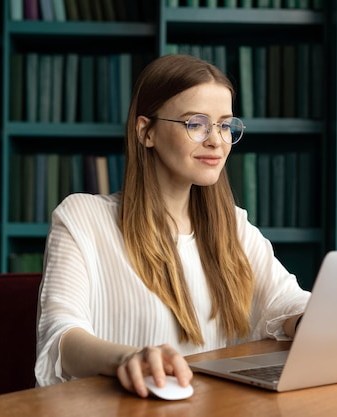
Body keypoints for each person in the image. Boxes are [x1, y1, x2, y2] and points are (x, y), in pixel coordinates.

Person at [35, 54, 311, 398]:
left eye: (225, 125)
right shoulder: (83, 219)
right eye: (196, 123)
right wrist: (128, 358)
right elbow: (60, 336)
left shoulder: (233, 226)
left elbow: (287, 304)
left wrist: (317, 321)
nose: (215, 140)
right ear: (145, 131)